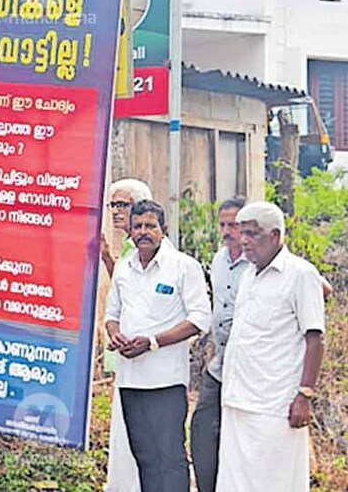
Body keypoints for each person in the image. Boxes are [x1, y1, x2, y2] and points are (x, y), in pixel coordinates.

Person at [193, 199, 334, 492]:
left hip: (274, 404)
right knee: (235, 481)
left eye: (251, 233)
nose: (243, 240)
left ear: (275, 236)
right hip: (236, 398)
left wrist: (304, 395)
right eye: (241, 232)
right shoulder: (248, 275)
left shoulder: (301, 274)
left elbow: (315, 338)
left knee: (274, 481)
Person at [105, 200, 210, 492]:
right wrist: (115, 335)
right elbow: (111, 315)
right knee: (145, 456)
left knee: (171, 457)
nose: (143, 232)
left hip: (165, 380)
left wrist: (152, 343)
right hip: (129, 380)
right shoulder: (124, 268)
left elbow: (201, 319)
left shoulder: (183, 266)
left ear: (163, 229)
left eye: (150, 226)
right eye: (137, 226)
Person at [190, 197, 250, 492]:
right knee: (202, 430)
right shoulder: (218, 260)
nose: (227, 231)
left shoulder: (259, 263)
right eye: (223, 224)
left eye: (234, 225)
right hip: (219, 366)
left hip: (249, 369)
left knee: (239, 436)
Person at [101, 178, 152, 492]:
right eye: (113, 205)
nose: (117, 211)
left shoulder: (146, 245)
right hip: (123, 350)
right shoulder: (127, 248)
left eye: (123, 204)